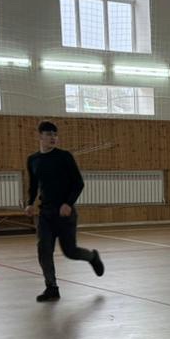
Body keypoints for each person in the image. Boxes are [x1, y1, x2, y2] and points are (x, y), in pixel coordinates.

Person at [24, 121, 104, 302]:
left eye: (55, 134)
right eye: (48, 134)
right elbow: (34, 185)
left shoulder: (64, 157)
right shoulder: (33, 160)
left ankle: (92, 257)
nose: (53, 137)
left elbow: (78, 183)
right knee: (44, 250)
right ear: (40, 136)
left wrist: (68, 203)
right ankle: (51, 287)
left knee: (70, 251)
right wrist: (30, 203)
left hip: (65, 214)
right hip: (45, 214)